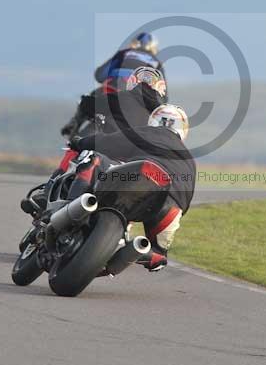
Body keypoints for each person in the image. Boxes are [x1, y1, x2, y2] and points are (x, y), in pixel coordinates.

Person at [68, 104, 194, 272]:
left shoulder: (147, 133)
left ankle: (73, 208)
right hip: (170, 202)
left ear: (154, 120)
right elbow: (186, 199)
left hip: (136, 178)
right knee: (158, 254)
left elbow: (107, 142)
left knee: (94, 159)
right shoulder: (190, 160)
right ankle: (138, 252)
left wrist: (80, 142)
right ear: (183, 130)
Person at [61, 32, 165, 137]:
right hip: (135, 107)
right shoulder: (156, 63)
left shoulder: (123, 53)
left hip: (108, 93)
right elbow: (163, 97)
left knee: (88, 99)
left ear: (135, 43)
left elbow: (100, 75)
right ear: (153, 47)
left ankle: (75, 124)